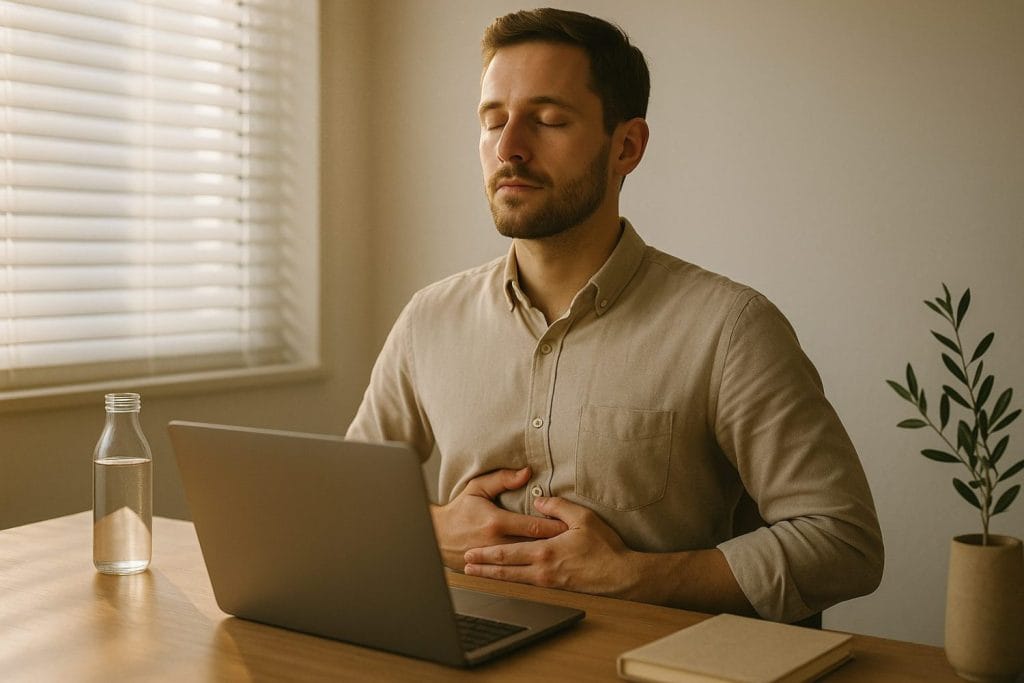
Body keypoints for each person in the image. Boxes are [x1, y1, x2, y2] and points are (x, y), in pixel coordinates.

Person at [347, 7, 883, 624]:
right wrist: (434, 530)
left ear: (626, 146)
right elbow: (351, 501)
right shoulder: (428, 321)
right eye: (493, 121)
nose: (509, 147)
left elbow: (845, 543)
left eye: (547, 120)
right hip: (464, 650)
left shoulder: (731, 329)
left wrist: (636, 577)